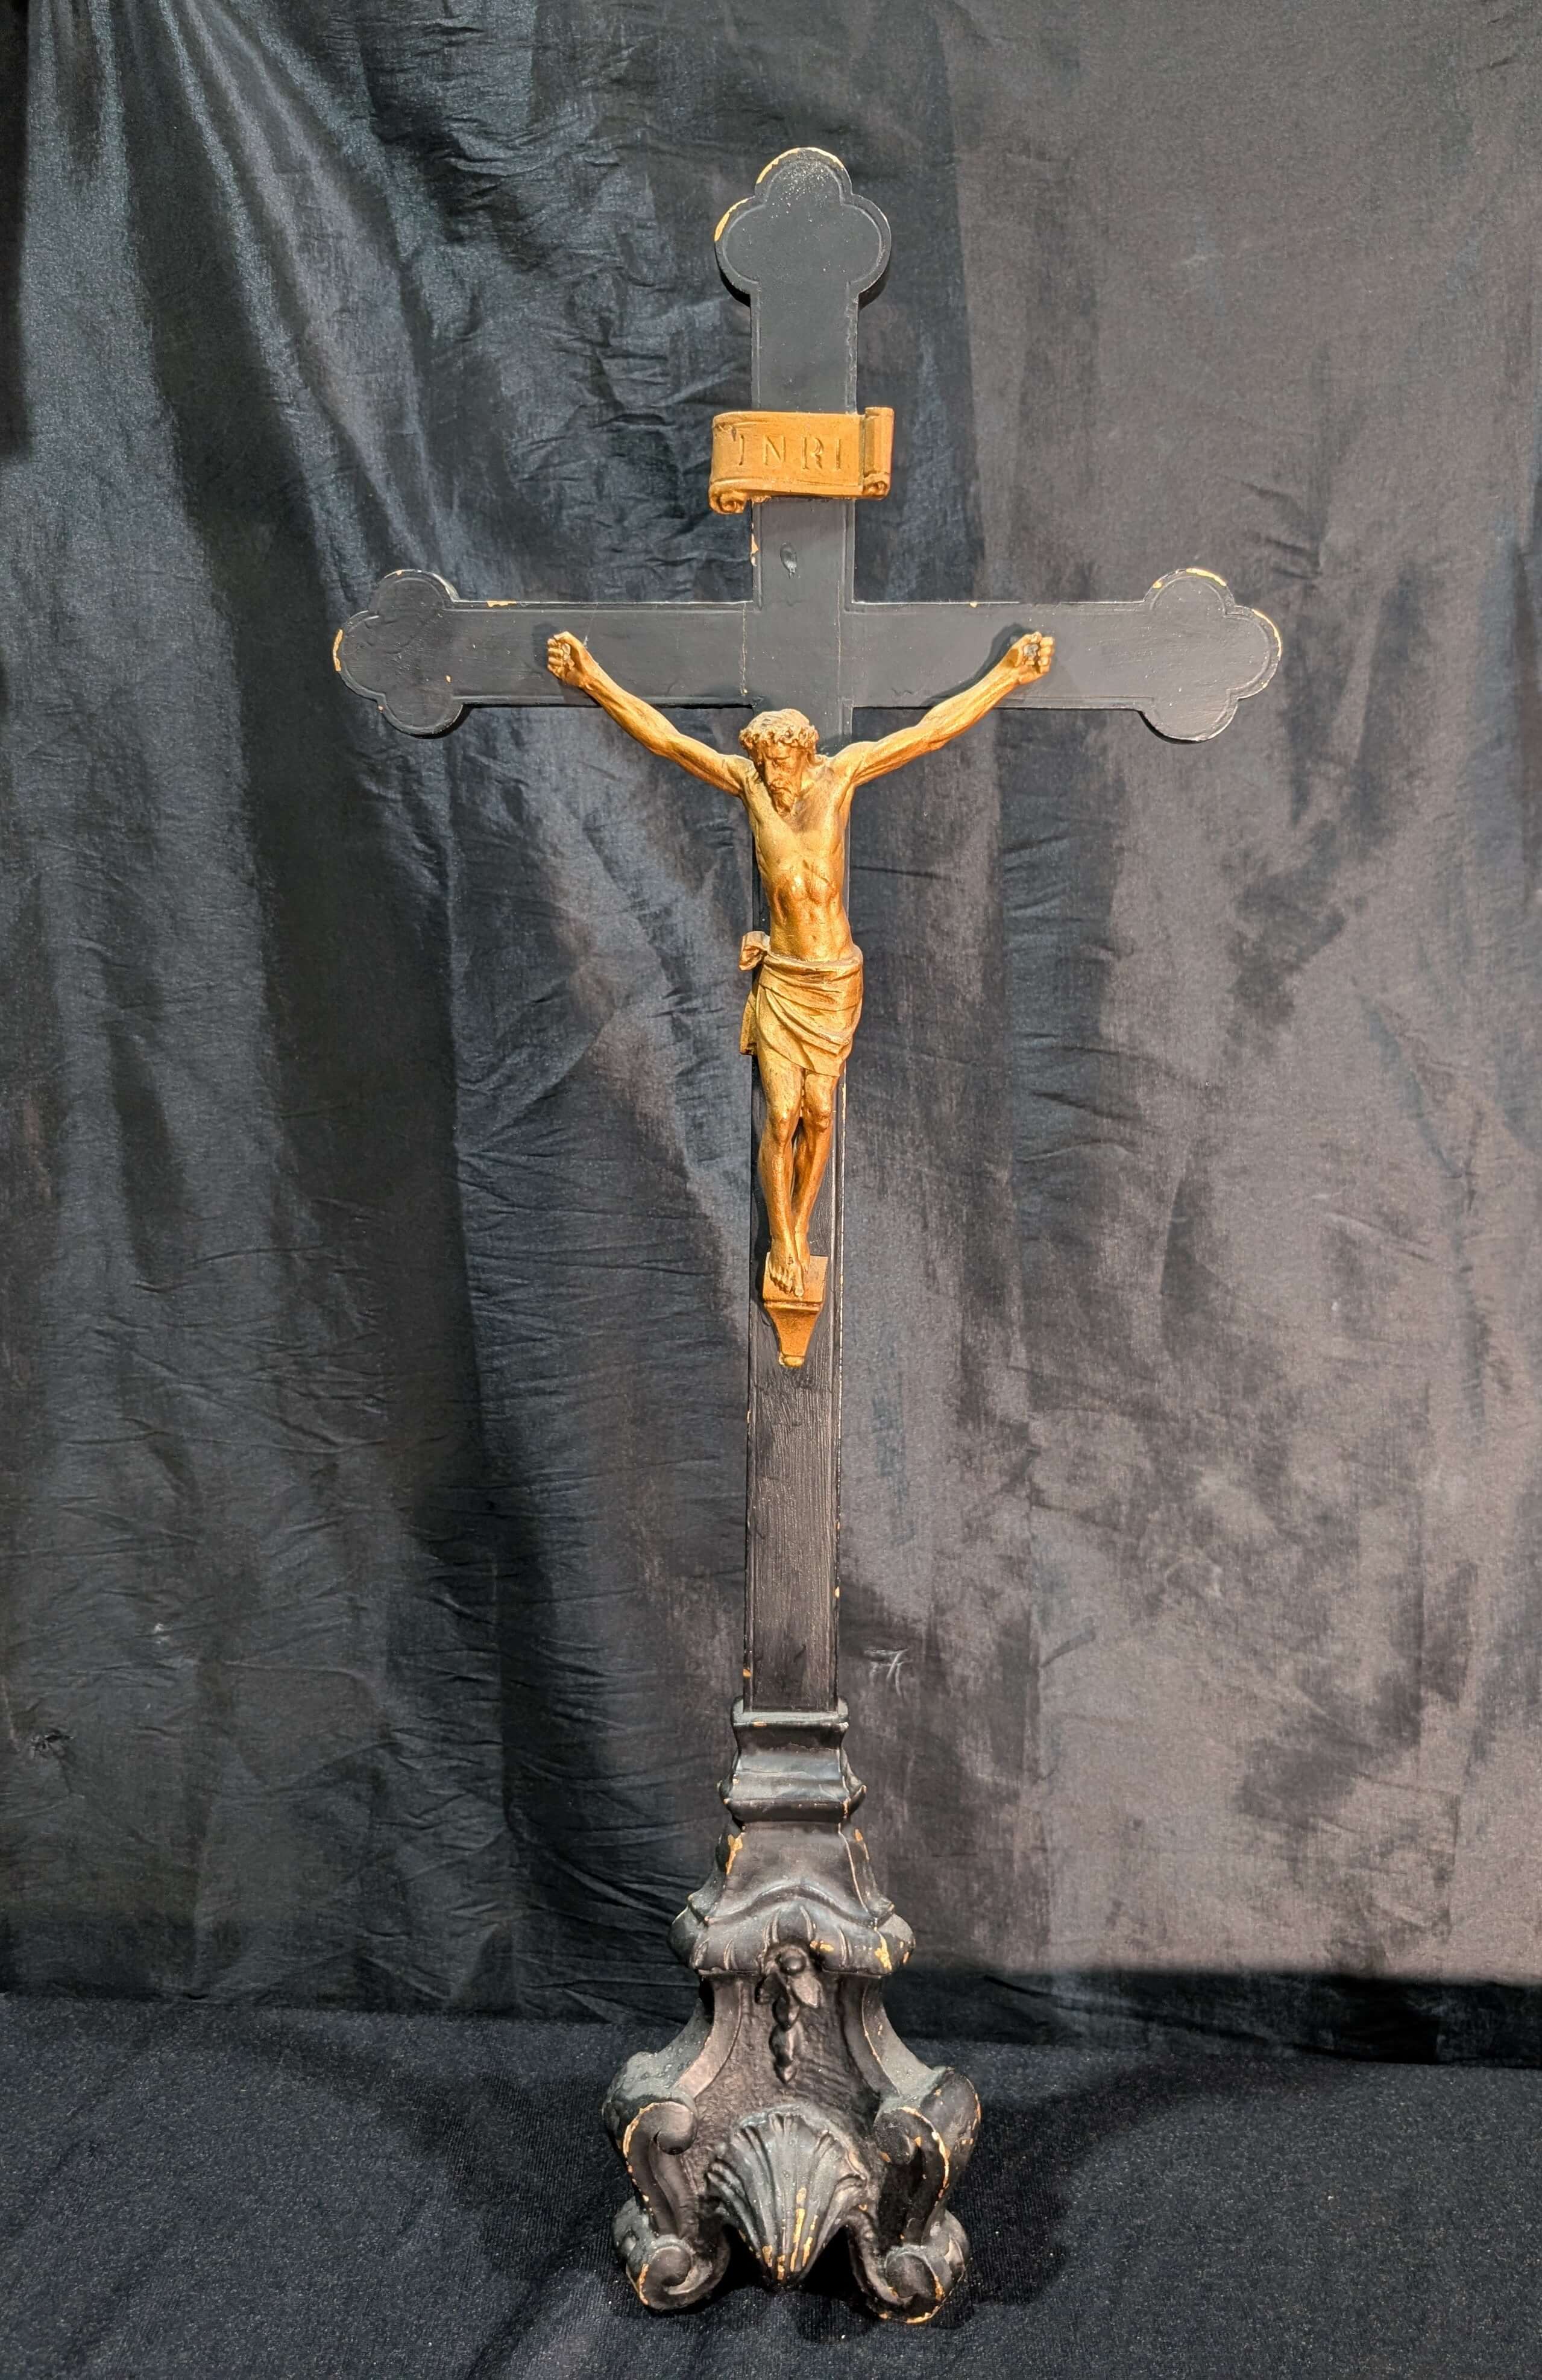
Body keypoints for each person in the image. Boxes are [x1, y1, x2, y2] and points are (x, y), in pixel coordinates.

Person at [546, 627, 1054, 1307]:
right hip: (785, 978)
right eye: (764, 766)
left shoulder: (840, 777)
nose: (774, 779)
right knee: (781, 1114)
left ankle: (800, 1225)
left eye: (781, 765)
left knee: (819, 1112)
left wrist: (1007, 676)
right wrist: (591, 679)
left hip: (834, 979)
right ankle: (784, 1240)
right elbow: (666, 739)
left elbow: (930, 733)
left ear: (804, 752)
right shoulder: (751, 785)